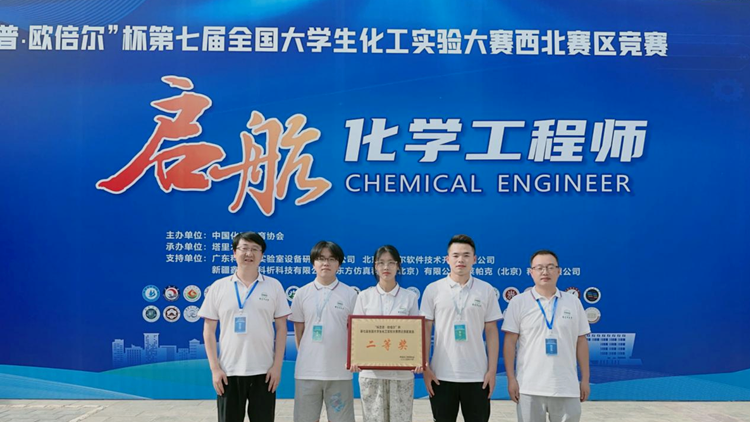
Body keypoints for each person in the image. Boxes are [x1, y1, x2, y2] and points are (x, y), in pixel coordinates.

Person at [198, 232, 291, 422]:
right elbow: (208, 330)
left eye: (255, 249)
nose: (249, 253)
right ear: (234, 252)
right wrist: (215, 369)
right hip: (228, 371)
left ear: (262, 255)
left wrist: (277, 367)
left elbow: (282, 329)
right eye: (244, 248)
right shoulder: (219, 287)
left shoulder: (273, 286)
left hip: (264, 372)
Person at [420, 234, 503, 422]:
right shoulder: (433, 289)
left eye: (466, 255)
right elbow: (425, 330)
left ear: (474, 259)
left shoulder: (486, 289)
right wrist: (426, 367)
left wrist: (492, 370)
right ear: (447, 259)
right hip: (441, 375)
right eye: (456, 255)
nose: (461, 260)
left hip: (478, 376)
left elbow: (491, 332)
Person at [502, 250, 591, 422]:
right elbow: (510, 342)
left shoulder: (573, 302)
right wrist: (511, 379)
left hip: (566, 387)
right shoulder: (519, 302)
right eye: (539, 268)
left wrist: (585, 379)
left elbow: (581, 341)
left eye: (550, 267)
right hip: (529, 387)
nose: (545, 272)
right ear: (531, 272)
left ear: (559, 271)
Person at [350, 245, 422, 422]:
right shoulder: (364, 297)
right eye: (381, 263)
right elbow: (356, 334)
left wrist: (418, 360)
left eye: (391, 262)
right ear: (375, 266)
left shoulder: (409, 297)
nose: (386, 267)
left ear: (398, 266)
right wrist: (355, 359)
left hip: (402, 376)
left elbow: (416, 335)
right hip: (371, 375)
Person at [289, 241, 358, 422]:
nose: (326, 263)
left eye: (331, 259)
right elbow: (299, 332)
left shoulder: (350, 294)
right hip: (307, 373)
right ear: (313, 263)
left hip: (339, 373)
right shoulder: (302, 293)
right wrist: (309, 356)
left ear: (339, 264)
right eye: (321, 258)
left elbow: (354, 334)